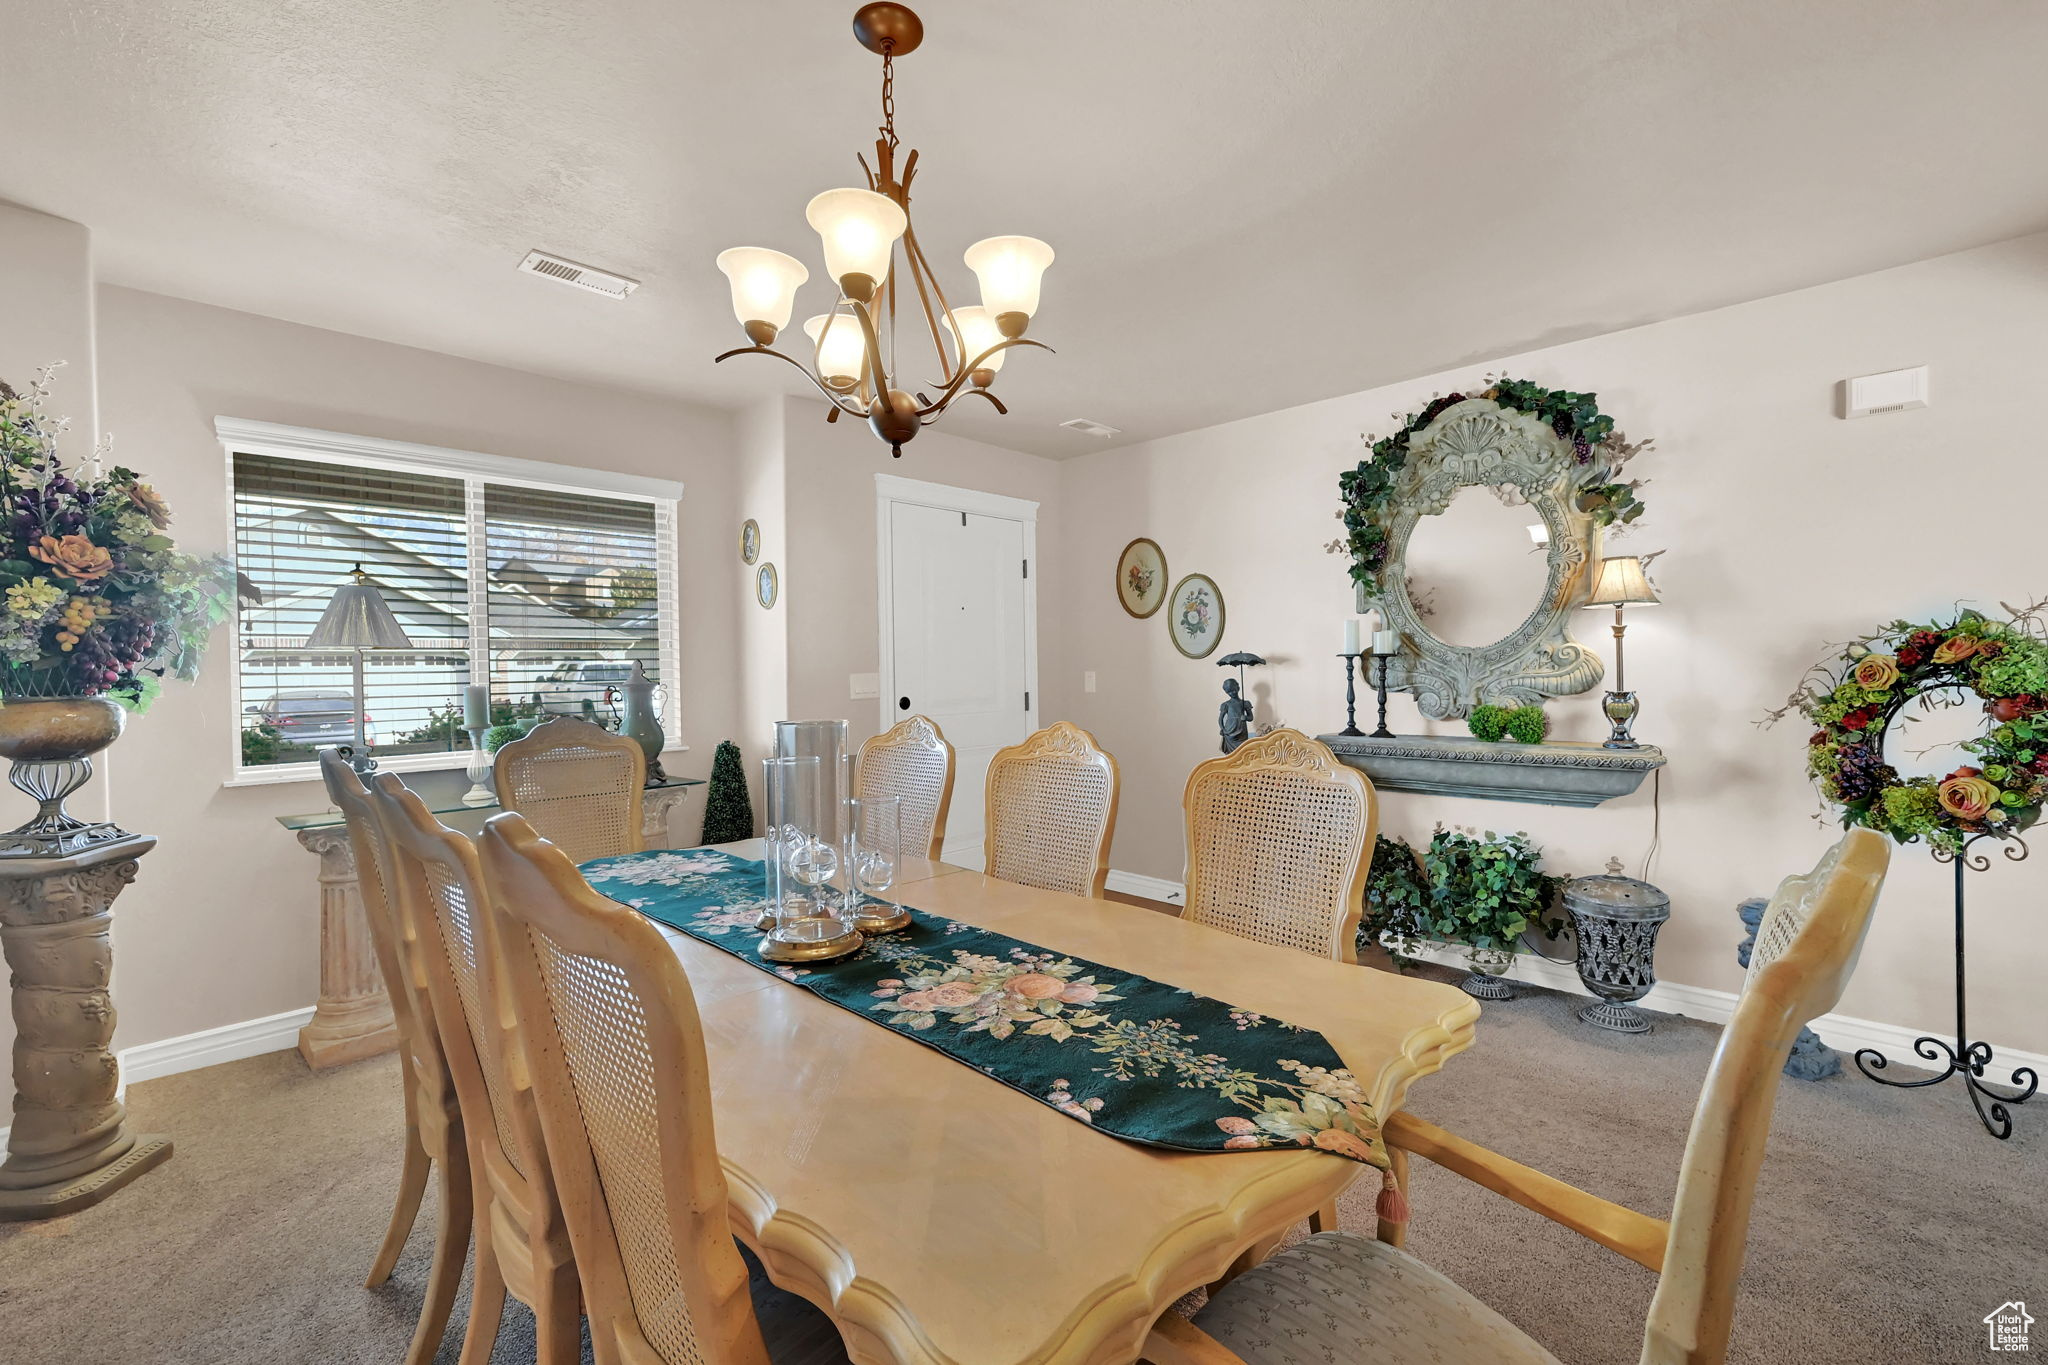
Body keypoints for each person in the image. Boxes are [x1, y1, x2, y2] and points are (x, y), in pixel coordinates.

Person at [1218, 677, 1254, 754]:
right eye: (1229, 692)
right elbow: (1220, 719)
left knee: (1243, 751)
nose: (1233, 693)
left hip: (1242, 731)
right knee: (1231, 755)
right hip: (1229, 731)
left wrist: (1246, 717)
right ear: (1227, 693)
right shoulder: (1226, 704)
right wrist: (1223, 729)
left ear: (1238, 688)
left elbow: (1251, 718)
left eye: (1234, 690)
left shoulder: (1245, 703)